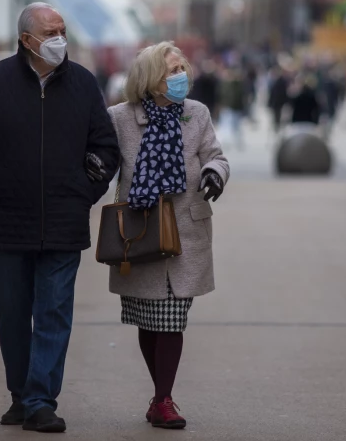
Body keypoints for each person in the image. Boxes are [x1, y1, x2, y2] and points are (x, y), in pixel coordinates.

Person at [0, 3, 119, 433]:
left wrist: (83, 192)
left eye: (62, 28)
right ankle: (20, 395)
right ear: (27, 39)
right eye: (51, 31)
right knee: (12, 312)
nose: (60, 36)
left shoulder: (82, 83)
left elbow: (105, 147)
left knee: (53, 313)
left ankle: (41, 400)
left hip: (64, 223)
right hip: (6, 224)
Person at [107, 42, 229, 429]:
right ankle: (160, 395)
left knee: (173, 319)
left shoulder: (197, 113)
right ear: (149, 80)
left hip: (186, 230)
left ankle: (163, 400)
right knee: (148, 319)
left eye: (182, 68)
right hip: (139, 231)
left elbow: (216, 155)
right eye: (171, 71)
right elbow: (100, 164)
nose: (181, 77)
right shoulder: (120, 118)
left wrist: (214, 173)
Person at [219, 67, 247, 150]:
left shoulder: (238, 84)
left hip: (236, 108)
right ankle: (226, 142)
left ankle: (238, 142)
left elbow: (241, 96)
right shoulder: (225, 84)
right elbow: (222, 96)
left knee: (237, 126)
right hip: (227, 107)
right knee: (226, 126)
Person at [267, 66, 289, 133]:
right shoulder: (274, 81)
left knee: (279, 117)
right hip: (276, 103)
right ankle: (277, 128)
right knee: (276, 117)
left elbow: (283, 93)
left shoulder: (282, 82)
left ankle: (279, 129)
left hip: (280, 103)